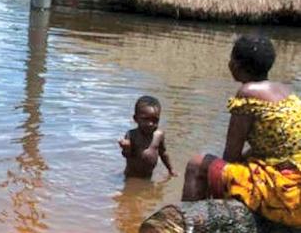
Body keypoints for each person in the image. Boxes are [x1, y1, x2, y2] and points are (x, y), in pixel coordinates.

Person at [181, 34, 301, 227]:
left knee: (196, 164)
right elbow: (275, 146)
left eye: (231, 58)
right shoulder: (285, 90)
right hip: (296, 178)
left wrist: (221, 178)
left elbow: (231, 155)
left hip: (283, 190)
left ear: (235, 65)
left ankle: (188, 225)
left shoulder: (248, 93)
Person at [118, 95, 176, 178]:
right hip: (131, 175)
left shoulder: (159, 135)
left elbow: (163, 153)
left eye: (155, 120)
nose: (150, 124)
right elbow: (126, 155)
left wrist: (171, 169)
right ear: (136, 119)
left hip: (148, 176)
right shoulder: (131, 134)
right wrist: (126, 148)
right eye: (145, 119)